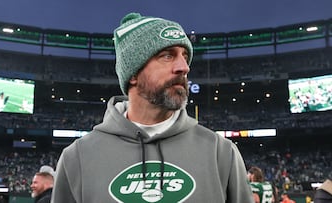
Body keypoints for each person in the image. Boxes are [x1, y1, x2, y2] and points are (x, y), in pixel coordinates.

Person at [51, 12, 253, 203]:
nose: (184, 67)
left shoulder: (221, 152)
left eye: (184, 56)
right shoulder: (77, 157)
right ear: (133, 73)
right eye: (167, 55)